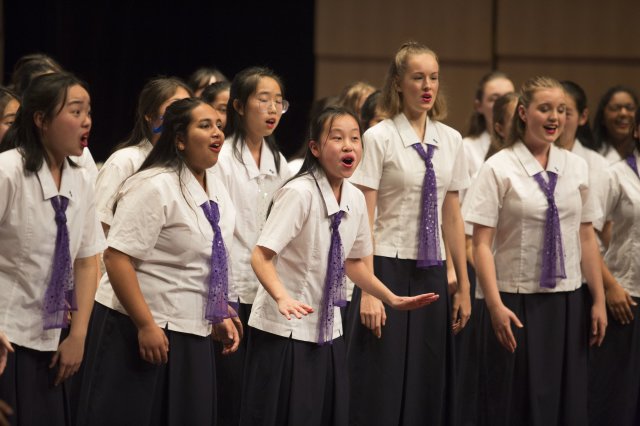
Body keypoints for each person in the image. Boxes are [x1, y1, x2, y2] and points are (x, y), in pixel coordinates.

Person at [241, 105, 439, 426]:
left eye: (355, 138)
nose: (349, 146)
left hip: (328, 329)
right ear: (315, 148)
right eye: (337, 138)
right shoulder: (299, 193)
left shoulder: (355, 198)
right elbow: (260, 255)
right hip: (283, 330)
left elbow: (354, 262)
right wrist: (281, 297)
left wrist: (390, 297)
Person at [78, 98, 240, 425]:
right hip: (140, 325)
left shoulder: (217, 187)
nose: (217, 133)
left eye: (219, 125)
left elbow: (208, 258)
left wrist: (216, 310)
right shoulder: (154, 185)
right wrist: (145, 325)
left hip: (191, 328)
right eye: (205, 125)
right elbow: (116, 257)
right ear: (179, 139)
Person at [463, 76, 607, 425]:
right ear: (524, 113)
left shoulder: (576, 166)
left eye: (561, 109)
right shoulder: (499, 167)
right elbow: (480, 244)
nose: (555, 117)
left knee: (564, 402)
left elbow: (586, 236)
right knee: (515, 404)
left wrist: (599, 300)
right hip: (513, 300)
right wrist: (494, 305)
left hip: (567, 300)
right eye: (545, 109)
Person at [346, 41, 471, 425]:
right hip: (385, 266)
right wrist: (368, 290)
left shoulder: (451, 140)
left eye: (434, 77)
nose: (427, 86)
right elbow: (364, 219)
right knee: (380, 379)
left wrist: (464, 286)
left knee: (426, 378)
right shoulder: (379, 137)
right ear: (398, 83)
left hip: (432, 269)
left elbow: (452, 216)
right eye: (418, 77)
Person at [0, 72, 104, 425]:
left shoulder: (82, 178)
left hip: (53, 340)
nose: (86, 120)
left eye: (88, 111)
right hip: (6, 335)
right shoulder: (8, 171)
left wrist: (79, 336)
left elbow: (87, 261)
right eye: (75, 111)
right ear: (41, 119)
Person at [212, 66, 292, 426]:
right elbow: (216, 232)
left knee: (259, 392)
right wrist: (220, 296)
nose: (273, 109)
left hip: (265, 291)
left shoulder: (280, 163)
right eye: (264, 100)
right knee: (229, 389)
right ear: (239, 106)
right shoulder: (223, 159)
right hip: (231, 288)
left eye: (279, 101)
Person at [588, 108, 640, 425]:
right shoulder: (615, 174)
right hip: (626, 297)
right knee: (618, 400)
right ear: (637, 131)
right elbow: (586, 236)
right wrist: (610, 286)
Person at [95, 76, 191, 234]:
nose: (184, 116)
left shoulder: (190, 167)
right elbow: (98, 226)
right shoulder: (125, 161)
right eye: (175, 107)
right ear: (150, 115)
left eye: (188, 108)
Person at [590, 85, 639, 164]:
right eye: (615, 108)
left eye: (630, 108)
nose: (623, 113)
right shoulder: (590, 156)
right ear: (602, 117)